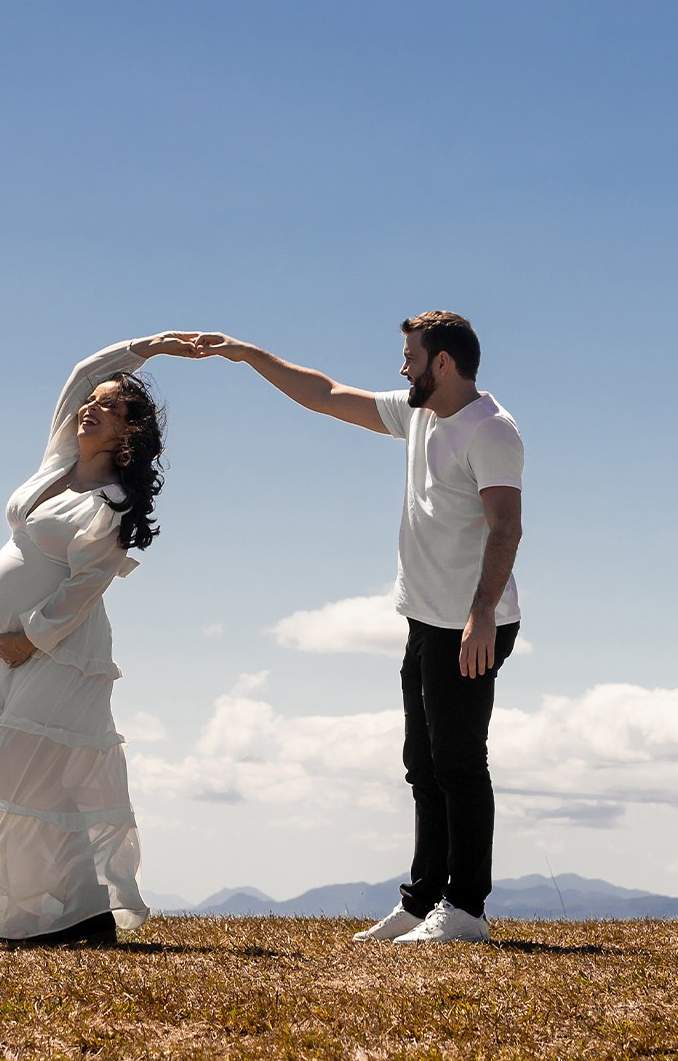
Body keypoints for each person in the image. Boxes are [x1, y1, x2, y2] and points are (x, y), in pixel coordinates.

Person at [197, 312, 524, 945]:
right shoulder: (420, 413)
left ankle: (466, 910)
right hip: (425, 618)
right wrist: (247, 354)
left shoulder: (492, 431)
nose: (402, 368)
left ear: (444, 363)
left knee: (458, 763)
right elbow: (326, 394)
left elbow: (506, 527)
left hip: (472, 622)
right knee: (422, 764)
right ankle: (424, 899)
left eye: (411, 357)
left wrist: (481, 614)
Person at [0, 334, 208, 946]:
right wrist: (147, 348)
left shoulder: (114, 500)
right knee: (21, 774)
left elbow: (86, 587)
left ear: (128, 434)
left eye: (108, 407)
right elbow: (81, 375)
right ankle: (60, 914)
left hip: (57, 652)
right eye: (91, 403)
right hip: (3, 645)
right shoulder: (56, 466)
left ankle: (72, 914)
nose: (89, 408)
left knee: (23, 776)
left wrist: (32, 638)